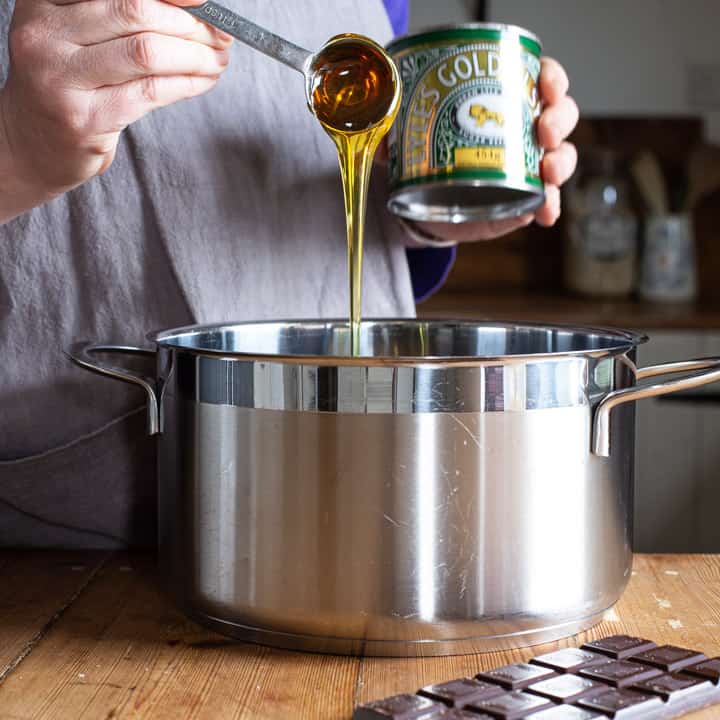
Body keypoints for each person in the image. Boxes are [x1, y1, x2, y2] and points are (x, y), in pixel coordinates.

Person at [0, 0, 578, 547]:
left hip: (367, 506)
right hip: (62, 546)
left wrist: (434, 202)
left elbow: (356, 171)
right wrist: (15, 152)